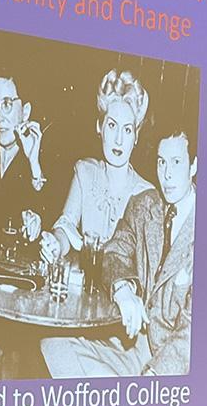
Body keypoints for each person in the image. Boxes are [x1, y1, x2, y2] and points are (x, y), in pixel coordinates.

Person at [40, 126, 197, 378]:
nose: (166, 174)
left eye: (176, 162)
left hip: (174, 363)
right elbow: (114, 251)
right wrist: (123, 290)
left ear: (194, 166)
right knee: (52, 344)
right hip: (136, 348)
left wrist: (156, 374)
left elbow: (193, 333)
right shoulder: (145, 205)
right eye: (161, 162)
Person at [40, 68, 152, 265]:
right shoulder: (85, 172)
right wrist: (56, 244)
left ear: (136, 137)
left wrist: (83, 244)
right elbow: (66, 225)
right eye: (111, 125)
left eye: (127, 129)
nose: (118, 139)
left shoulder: (146, 194)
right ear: (99, 127)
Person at [0, 74, 50, 249]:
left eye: (7, 104)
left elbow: (47, 213)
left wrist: (34, 163)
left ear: (25, 112)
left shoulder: (42, 159)